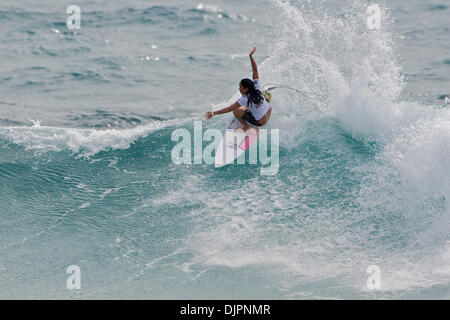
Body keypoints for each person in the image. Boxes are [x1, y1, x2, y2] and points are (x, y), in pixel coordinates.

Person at [204, 47, 272, 131]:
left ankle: (247, 127)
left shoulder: (244, 99)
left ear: (246, 89)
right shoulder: (256, 87)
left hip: (261, 122)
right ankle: (266, 98)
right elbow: (255, 70)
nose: (239, 89)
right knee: (262, 93)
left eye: (240, 87)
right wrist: (250, 56)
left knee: (236, 112)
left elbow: (228, 109)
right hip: (269, 112)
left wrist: (213, 113)